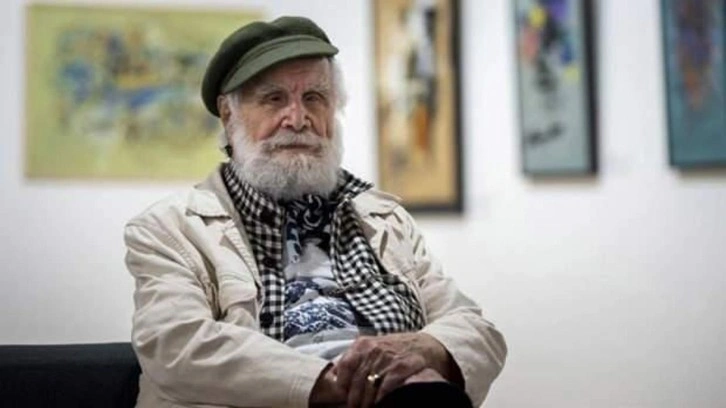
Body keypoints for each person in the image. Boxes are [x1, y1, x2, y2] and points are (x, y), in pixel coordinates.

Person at [124, 15, 506, 408]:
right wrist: (341, 383)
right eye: (274, 99)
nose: (297, 119)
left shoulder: (383, 219)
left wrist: (424, 350)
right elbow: (175, 345)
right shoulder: (170, 228)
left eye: (314, 98)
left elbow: (477, 332)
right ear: (228, 113)